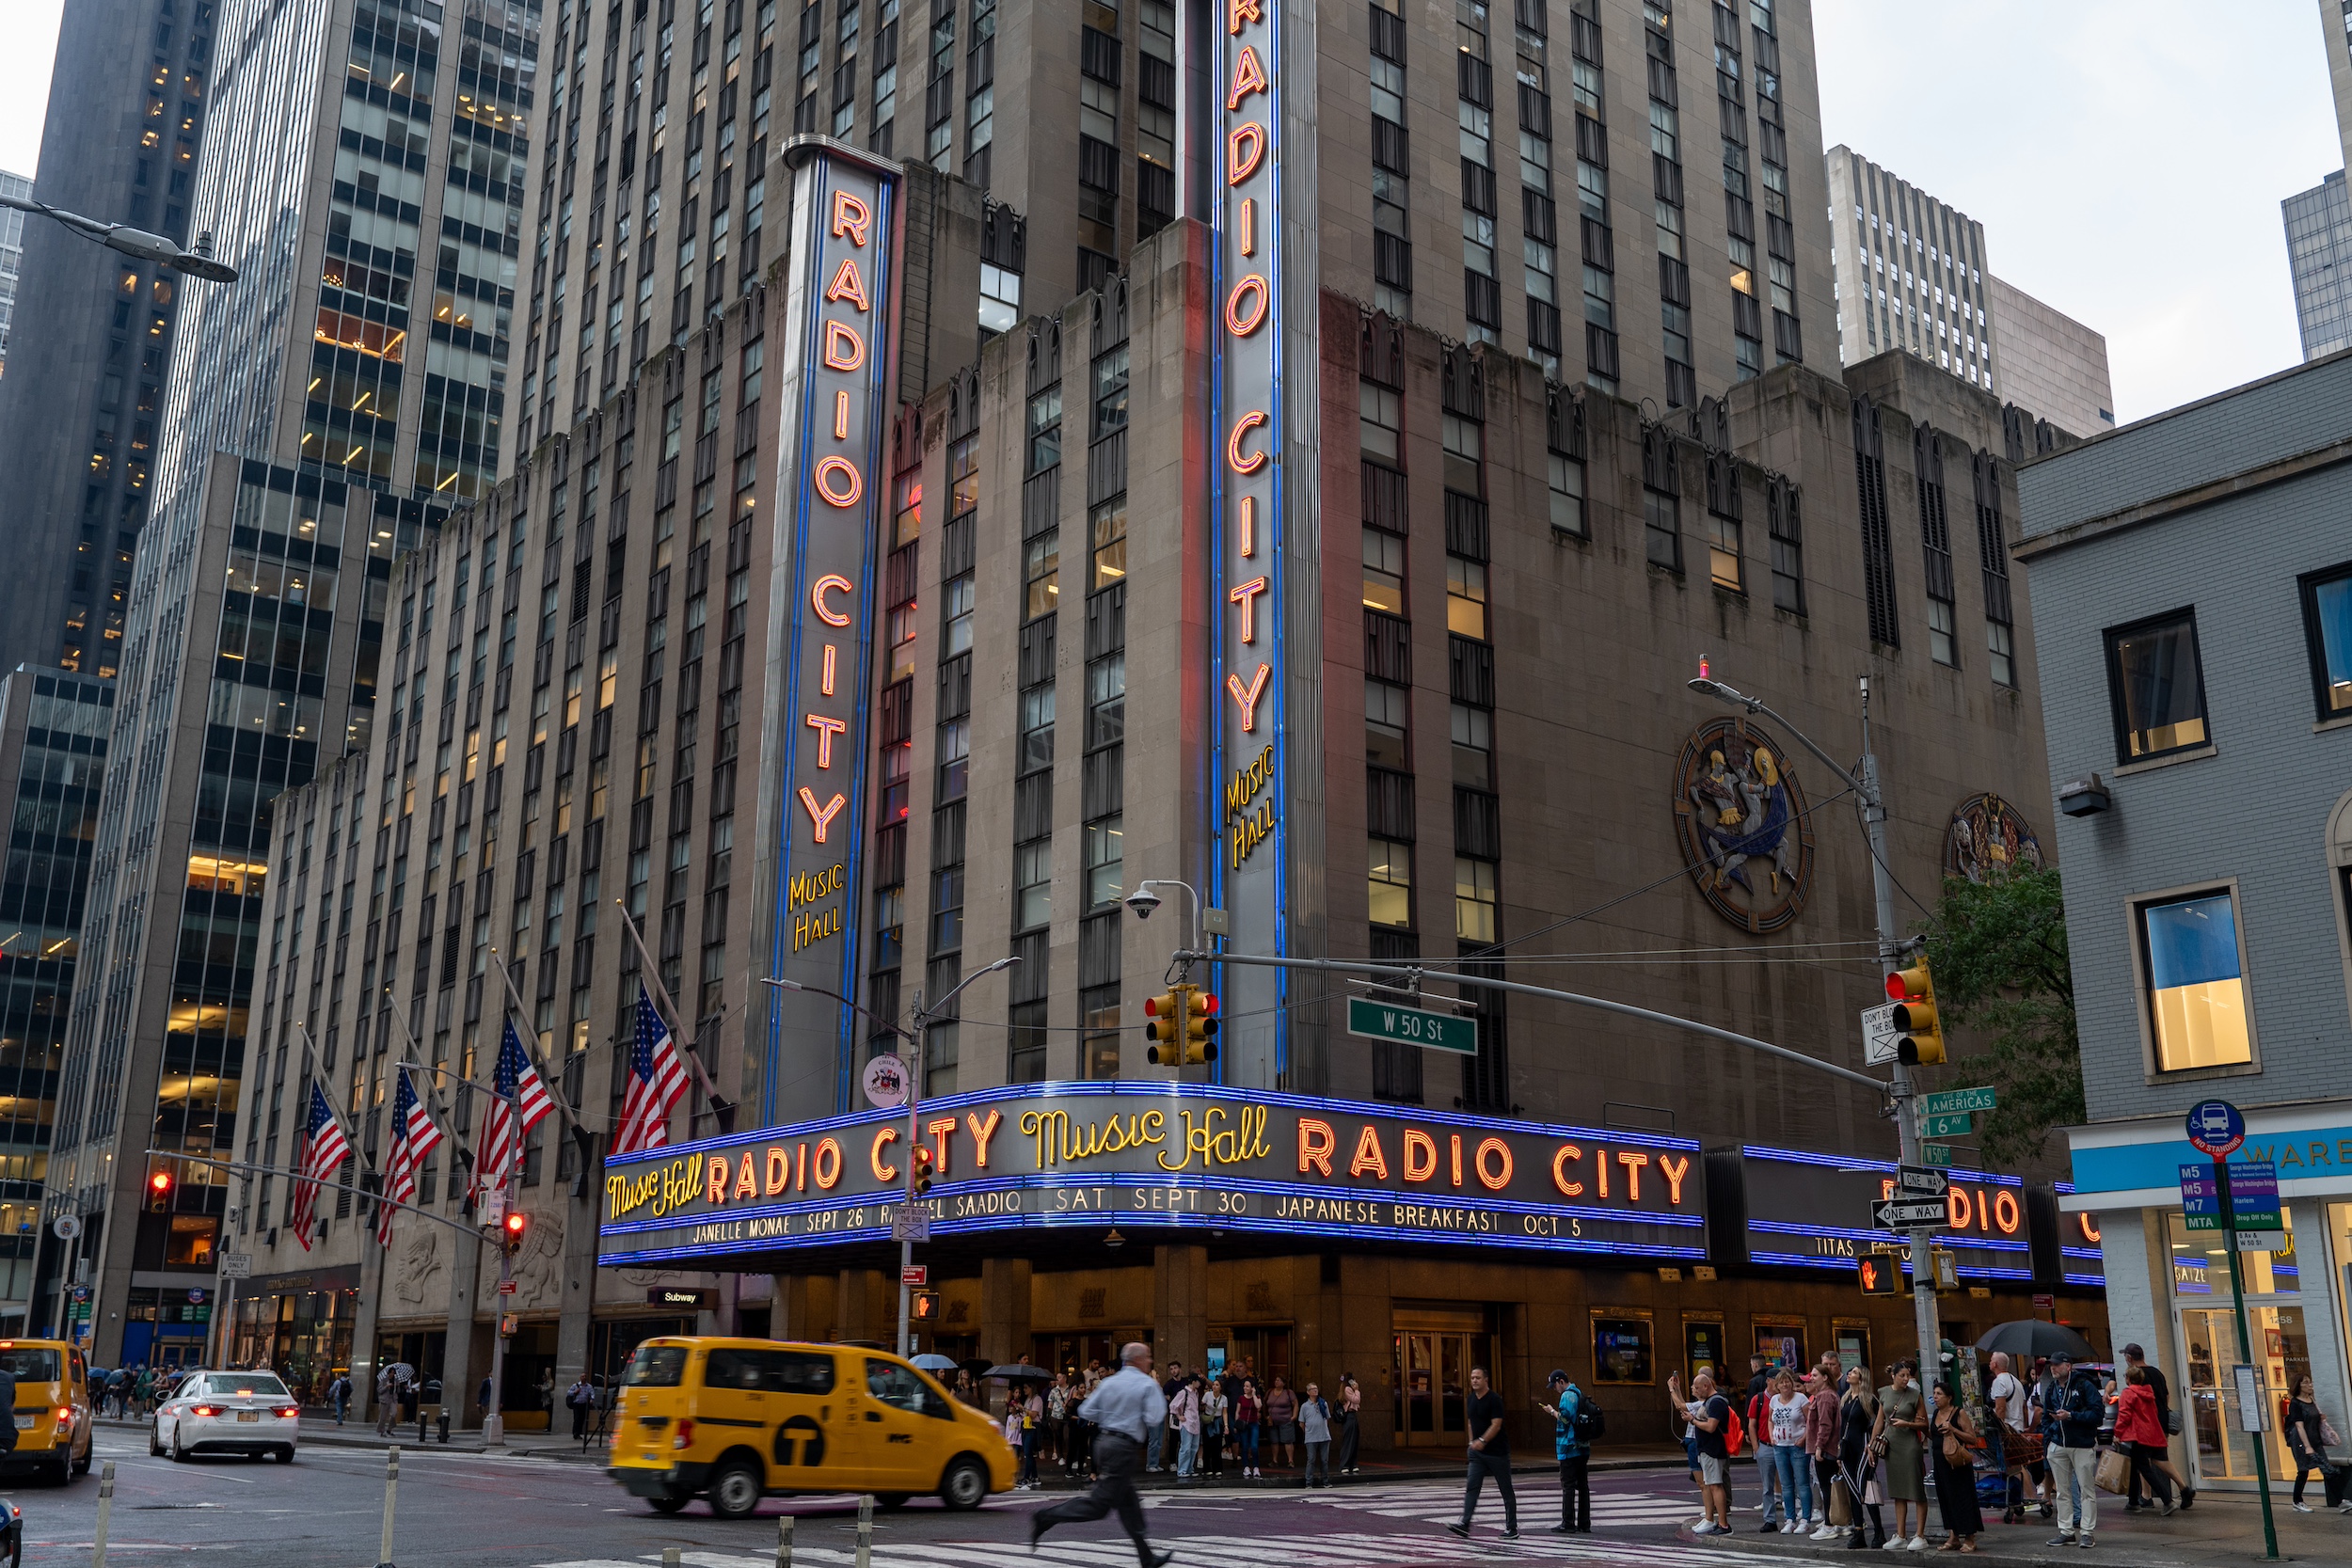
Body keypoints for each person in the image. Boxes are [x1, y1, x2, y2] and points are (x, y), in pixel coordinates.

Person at [1030, 1341, 1171, 1568]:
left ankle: (1147, 1557)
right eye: (1148, 1357)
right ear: (1137, 1359)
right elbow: (1156, 1417)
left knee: (1129, 1502)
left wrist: (1112, 1413)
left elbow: (1086, 1410)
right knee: (1099, 1506)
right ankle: (1046, 1516)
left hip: (1103, 1442)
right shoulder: (1147, 1384)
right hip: (1123, 1447)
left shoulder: (1109, 1383)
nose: (1151, 1361)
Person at [2042, 1350, 2106, 1549]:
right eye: (2051, 1364)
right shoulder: (2052, 1388)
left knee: (2086, 1489)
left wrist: (2070, 1416)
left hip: (2081, 1444)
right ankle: (2066, 1531)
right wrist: (2050, 1438)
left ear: (2068, 1366)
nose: (2053, 1368)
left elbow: (2097, 1414)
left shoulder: (2083, 1385)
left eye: (2057, 1364)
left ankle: (2086, 1532)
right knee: (2062, 1491)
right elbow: (2046, 1415)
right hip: (2059, 1443)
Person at [1444, 1365, 1517, 1540]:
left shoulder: (1494, 1400)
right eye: (1472, 1378)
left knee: (1506, 1490)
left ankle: (1512, 1528)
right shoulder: (1470, 1399)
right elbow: (1470, 1422)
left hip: (1497, 1453)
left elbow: (1496, 1424)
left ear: (1486, 1380)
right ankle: (1465, 1524)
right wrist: (1471, 1443)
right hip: (1477, 1454)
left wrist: (1482, 1441)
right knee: (1472, 1488)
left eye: (1477, 1378)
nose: (1474, 1381)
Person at [2118, 1344, 2192, 1512]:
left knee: (2150, 1460)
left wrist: (2119, 1432)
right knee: (2155, 1458)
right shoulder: (2157, 1373)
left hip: (2144, 1425)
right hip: (2160, 1421)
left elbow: (2129, 1410)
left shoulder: (2137, 1378)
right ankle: (2148, 1495)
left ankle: (2154, 1496)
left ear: (2129, 1358)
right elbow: (2166, 1395)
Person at [1871, 1359, 1929, 1550]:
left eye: (1908, 1375)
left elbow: (1924, 1424)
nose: (1906, 1379)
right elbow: (1879, 1421)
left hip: (1910, 1445)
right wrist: (1872, 1445)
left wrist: (1908, 1424)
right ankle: (1900, 1534)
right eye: (1902, 1375)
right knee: (1897, 1492)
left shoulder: (1915, 1395)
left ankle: (1920, 1534)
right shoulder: (1884, 1392)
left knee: (1916, 1490)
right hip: (1891, 1444)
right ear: (1893, 1376)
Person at [1670, 1369, 1733, 1536]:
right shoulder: (1709, 1402)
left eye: (1697, 1388)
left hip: (1713, 1448)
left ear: (1706, 1386)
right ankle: (1715, 1521)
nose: (1695, 1391)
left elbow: (1711, 1426)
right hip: (1706, 1448)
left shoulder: (1716, 1402)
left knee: (1715, 1485)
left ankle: (1723, 1524)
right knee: (1712, 1484)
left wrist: (1693, 1420)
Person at [1929, 1381, 1984, 1551]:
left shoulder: (1958, 1413)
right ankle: (1953, 1536)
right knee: (1946, 1498)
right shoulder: (1936, 1413)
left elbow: (1972, 1438)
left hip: (1957, 1464)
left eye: (1939, 1394)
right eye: (1935, 1394)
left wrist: (1953, 1429)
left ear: (1949, 1397)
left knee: (1962, 1498)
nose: (1936, 1398)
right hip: (1940, 1463)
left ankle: (1970, 1537)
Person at [2112, 1366, 2173, 1516]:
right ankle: (2133, 1501)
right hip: (2149, 1434)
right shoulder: (2147, 1393)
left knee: (2144, 1468)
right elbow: (2154, 1412)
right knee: (2134, 1468)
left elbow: (2124, 1414)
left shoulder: (2128, 1393)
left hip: (2135, 1436)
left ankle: (2167, 1501)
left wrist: (2117, 1433)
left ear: (2128, 1378)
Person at [2284, 1373, 2350, 1513]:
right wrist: (2307, 1446)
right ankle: (2297, 1501)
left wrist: (2320, 1418)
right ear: (2299, 1385)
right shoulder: (2295, 1404)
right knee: (2303, 1471)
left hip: (2315, 1440)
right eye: (2306, 1383)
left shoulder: (2310, 1399)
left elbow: (2313, 1417)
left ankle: (2341, 1502)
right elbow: (2299, 1426)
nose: (2310, 1385)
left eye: (2310, 1382)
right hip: (2301, 1442)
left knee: (2327, 1470)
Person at [1837, 1366, 1885, 1550]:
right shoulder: (1846, 1398)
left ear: (1862, 1377)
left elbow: (1878, 1423)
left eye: (1854, 1372)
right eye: (1850, 1372)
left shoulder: (1870, 1399)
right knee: (1852, 1490)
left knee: (1865, 1488)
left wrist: (1872, 1444)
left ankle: (1878, 1531)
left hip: (1864, 1447)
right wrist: (1840, 1448)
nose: (1849, 1374)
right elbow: (1843, 1426)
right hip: (1847, 1447)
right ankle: (1859, 1531)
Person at [1537, 1369, 1591, 1534]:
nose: (1555, 1389)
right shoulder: (1578, 1392)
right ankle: (1584, 1523)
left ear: (1561, 1381)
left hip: (1569, 1447)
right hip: (1582, 1447)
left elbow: (1565, 1419)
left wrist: (1552, 1411)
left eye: (1555, 1385)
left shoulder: (1567, 1396)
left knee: (1568, 1485)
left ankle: (1568, 1522)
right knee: (1582, 1486)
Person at [1764, 1368, 1813, 1535]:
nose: (1785, 1384)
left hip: (1797, 1445)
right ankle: (1789, 1519)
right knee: (1786, 1485)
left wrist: (1804, 1438)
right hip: (1780, 1446)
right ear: (1776, 1386)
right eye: (1781, 1382)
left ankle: (1805, 1519)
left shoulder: (1801, 1399)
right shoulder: (1774, 1400)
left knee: (1802, 1484)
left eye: (1787, 1382)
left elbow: (1810, 1421)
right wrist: (1771, 1436)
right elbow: (1770, 1420)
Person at [1804, 1370, 1842, 1540]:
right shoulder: (1828, 1395)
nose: (1811, 1379)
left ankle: (1829, 1524)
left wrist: (1819, 1446)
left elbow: (1825, 1424)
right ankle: (1834, 1520)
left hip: (1827, 1449)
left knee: (1827, 1487)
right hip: (1829, 1448)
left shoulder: (1825, 1397)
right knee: (1830, 1486)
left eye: (1815, 1375)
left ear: (1825, 1377)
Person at [1151, 1359, 1184, 1472]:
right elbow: (1163, 1395)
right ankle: (1172, 1462)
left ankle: (1183, 1462)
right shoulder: (1169, 1384)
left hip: (1185, 1414)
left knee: (1184, 1439)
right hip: (1173, 1415)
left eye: (1175, 1368)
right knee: (1173, 1438)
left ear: (1180, 1369)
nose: (1173, 1371)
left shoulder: (1185, 1382)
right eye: (1171, 1369)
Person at [1300, 1381, 1332, 1487]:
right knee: (1311, 1460)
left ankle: (1325, 1481)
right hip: (1311, 1437)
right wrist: (1308, 1431)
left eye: (1316, 1389)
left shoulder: (1323, 1403)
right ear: (1308, 1392)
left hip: (1324, 1436)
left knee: (1324, 1460)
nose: (1315, 1390)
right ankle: (1308, 1482)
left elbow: (1327, 1419)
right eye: (1313, 1389)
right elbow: (1302, 1423)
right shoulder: (1305, 1406)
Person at [1170, 1373, 1200, 1480]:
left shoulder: (1195, 1393)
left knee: (1193, 1448)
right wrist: (1179, 1416)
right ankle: (1182, 1470)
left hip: (1195, 1423)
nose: (1199, 1383)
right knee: (1185, 1448)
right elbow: (1173, 1405)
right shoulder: (1184, 1392)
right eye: (1198, 1381)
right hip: (1187, 1423)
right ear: (1193, 1381)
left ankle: (1189, 1468)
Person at [1264, 1375, 1297, 1471]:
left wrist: (1294, 1416)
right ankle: (1274, 1460)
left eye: (1279, 1380)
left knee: (1288, 1441)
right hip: (1272, 1421)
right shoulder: (1270, 1392)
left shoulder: (1288, 1392)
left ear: (1284, 1383)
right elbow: (1265, 1403)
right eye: (1276, 1380)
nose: (1276, 1382)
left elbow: (1295, 1404)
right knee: (1274, 1441)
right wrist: (1266, 1416)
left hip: (1286, 1420)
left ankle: (1290, 1460)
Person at [1200, 1375, 1227, 1479]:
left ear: (1220, 1387)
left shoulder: (1224, 1398)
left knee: (1217, 1446)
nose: (1214, 1387)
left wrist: (1226, 1425)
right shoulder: (1207, 1395)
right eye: (1214, 1385)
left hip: (1218, 1422)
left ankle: (1218, 1468)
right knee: (1207, 1446)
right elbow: (1202, 1406)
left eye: (1217, 1385)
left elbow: (1225, 1412)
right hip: (1208, 1422)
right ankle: (1207, 1468)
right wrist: (1204, 1406)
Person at [1234, 1378, 1263, 1479]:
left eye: (1247, 1386)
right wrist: (1236, 1425)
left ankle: (1256, 1467)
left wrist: (1254, 1395)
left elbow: (1258, 1406)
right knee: (1245, 1446)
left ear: (1252, 1388)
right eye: (1244, 1386)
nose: (1245, 1388)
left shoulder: (1257, 1397)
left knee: (1254, 1446)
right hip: (1243, 1424)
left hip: (1253, 1423)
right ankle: (1246, 1467)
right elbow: (1237, 1412)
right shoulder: (1241, 1398)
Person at [1336, 1375, 1362, 1475]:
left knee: (1354, 1441)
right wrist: (1357, 1390)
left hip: (1352, 1416)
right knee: (1349, 1441)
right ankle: (1345, 1465)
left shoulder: (1346, 1389)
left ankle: (1353, 1464)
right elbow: (1356, 1400)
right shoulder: (1347, 1389)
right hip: (1349, 1415)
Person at [1006, 1394, 1031, 1489]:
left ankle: (1014, 1476)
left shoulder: (1020, 1418)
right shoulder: (1009, 1418)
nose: (1010, 1408)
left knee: (1016, 1457)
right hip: (1010, 1440)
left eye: (1012, 1407)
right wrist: (1007, 1439)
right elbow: (1008, 1429)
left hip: (1017, 1440)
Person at [566, 1373, 596, 1442]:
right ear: (580, 1378)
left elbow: (592, 1393)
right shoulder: (575, 1385)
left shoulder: (589, 1386)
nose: (584, 1378)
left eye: (585, 1376)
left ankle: (579, 1432)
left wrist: (592, 1399)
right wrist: (574, 1392)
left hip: (584, 1404)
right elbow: (568, 1392)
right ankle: (575, 1433)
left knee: (582, 1419)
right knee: (577, 1418)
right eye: (583, 1376)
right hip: (577, 1404)